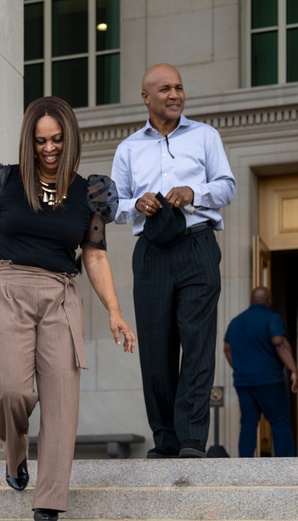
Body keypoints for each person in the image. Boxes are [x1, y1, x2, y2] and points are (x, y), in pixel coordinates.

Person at [0, 96, 135, 521]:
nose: (49, 148)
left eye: (57, 139)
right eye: (40, 141)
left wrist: (114, 310)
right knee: (7, 389)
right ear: (29, 141)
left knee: (60, 398)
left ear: (70, 139)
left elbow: (93, 256)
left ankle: (50, 497)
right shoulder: (3, 180)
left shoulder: (88, 193)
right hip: (7, 287)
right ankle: (14, 451)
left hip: (59, 293)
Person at [111, 63, 236, 459]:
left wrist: (193, 191)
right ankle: (165, 437)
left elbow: (227, 186)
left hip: (197, 245)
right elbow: (114, 205)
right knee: (156, 347)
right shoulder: (128, 148)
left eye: (179, 87)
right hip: (151, 253)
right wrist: (138, 202)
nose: (175, 95)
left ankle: (192, 439)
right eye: (165, 88)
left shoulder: (205, 136)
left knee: (198, 344)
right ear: (146, 98)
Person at [223, 286, 298, 457]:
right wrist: (293, 369)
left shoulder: (236, 322)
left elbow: (227, 348)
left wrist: (240, 368)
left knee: (248, 423)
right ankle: (286, 464)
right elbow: (278, 341)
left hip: (243, 381)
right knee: (279, 421)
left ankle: (245, 464)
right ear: (269, 300)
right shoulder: (271, 318)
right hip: (269, 380)